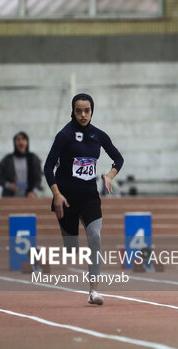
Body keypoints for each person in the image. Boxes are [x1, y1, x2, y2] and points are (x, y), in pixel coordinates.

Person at [44, 93, 124, 305]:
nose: (82, 115)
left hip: (89, 196)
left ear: (92, 111)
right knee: (72, 249)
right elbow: (47, 167)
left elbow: (118, 158)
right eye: (78, 110)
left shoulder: (98, 135)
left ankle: (93, 292)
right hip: (66, 198)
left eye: (86, 110)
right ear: (73, 111)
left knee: (95, 237)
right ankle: (71, 241)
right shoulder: (65, 135)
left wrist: (109, 175)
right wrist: (56, 194)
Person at [0, 132, 42, 198]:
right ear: (14, 143)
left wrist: (33, 191)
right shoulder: (7, 160)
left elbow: (38, 178)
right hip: (10, 197)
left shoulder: (33, 159)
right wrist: (9, 185)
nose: (21, 142)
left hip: (29, 197)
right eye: (18, 140)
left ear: (27, 142)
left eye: (23, 139)